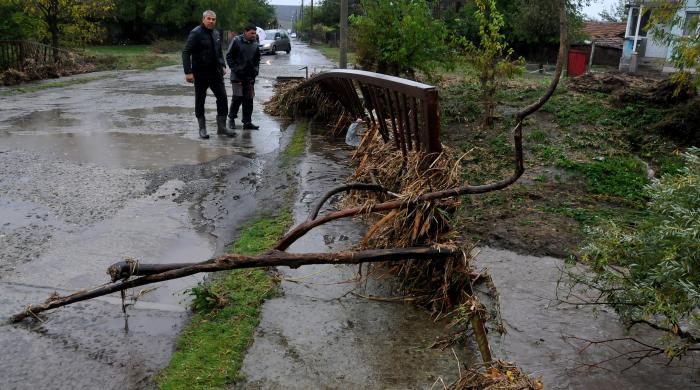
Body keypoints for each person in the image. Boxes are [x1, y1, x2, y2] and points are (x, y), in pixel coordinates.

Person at [182, 10, 234, 139]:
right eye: (209, 19)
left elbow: (219, 51)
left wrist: (222, 65)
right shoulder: (196, 33)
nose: (211, 21)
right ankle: (202, 128)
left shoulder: (216, 34)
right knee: (200, 100)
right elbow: (186, 52)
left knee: (222, 98)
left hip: (216, 73)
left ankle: (221, 128)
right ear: (203, 19)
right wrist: (188, 72)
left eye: (213, 19)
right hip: (200, 74)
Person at [226, 23, 261, 130]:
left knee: (248, 100)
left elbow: (257, 59)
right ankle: (231, 119)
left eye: (255, 33)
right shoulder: (236, 41)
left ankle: (247, 122)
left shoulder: (255, 42)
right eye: (251, 33)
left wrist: (256, 70)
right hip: (237, 77)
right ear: (245, 32)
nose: (254, 35)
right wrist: (237, 70)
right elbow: (229, 57)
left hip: (250, 77)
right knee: (237, 98)